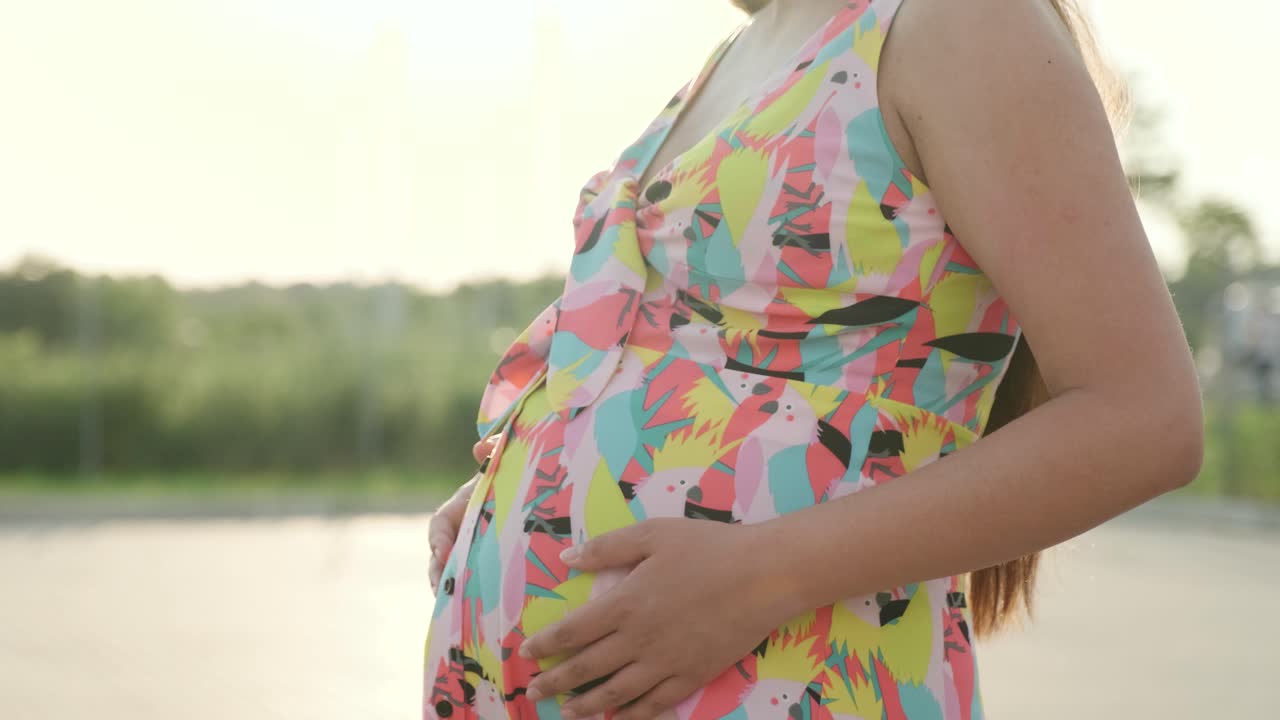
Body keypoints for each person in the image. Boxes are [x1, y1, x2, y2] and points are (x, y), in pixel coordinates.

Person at [423, 0, 1205, 717]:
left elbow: (1144, 417)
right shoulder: (745, 47)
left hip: (797, 678)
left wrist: (763, 573)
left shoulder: (961, 23)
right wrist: (525, 484)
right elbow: (718, 350)